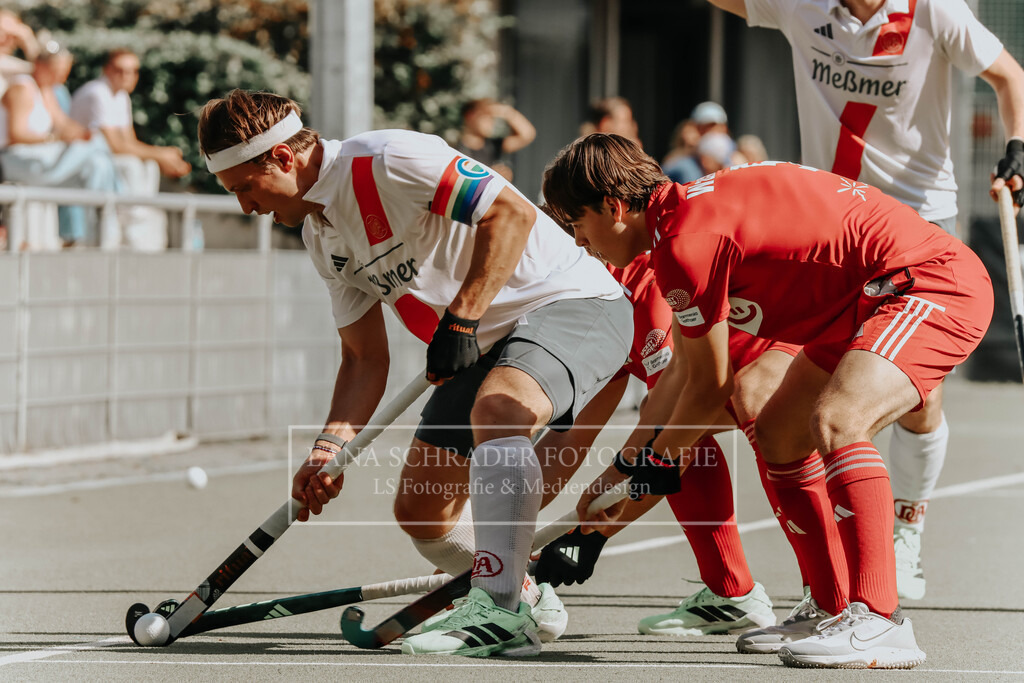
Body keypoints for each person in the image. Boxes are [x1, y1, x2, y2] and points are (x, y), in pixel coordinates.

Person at [197, 90, 631, 658]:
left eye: (246, 189)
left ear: (282, 158)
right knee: (424, 513)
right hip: (479, 340)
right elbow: (363, 358)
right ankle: (520, 591)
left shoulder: (385, 159)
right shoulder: (319, 236)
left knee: (498, 409)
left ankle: (497, 608)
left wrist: (461, 319)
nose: (247, 208)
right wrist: (329, 449)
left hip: (569, 304)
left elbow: (513, 213)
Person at [543, 134, 993, 669]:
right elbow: (681, 383)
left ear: (614, 208)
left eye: (576, 225)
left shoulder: (685, 245)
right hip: (862, 300)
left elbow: (706, 391)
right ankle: (831, 607)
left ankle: (878, 620)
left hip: (927, 283)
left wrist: (654, 468)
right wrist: (607, 499)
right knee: (780, 430)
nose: (578, 243)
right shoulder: (682, 220)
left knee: (837, 418)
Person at [707, 0, 1024, 601]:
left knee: (916, 396)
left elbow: (1010, 74)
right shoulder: (799, 6)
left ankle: (905, 529)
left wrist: (1019, 146)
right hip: (827, 227)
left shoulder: (935, 11)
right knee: (764, 396)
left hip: (917, 225)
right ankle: (823, 579)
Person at [531, 235, 812, 637]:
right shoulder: (589, 306)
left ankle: (829, 601)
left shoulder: (645, 292)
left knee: (749, 416)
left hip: (792, 338)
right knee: (675, 426)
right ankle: (731, 594)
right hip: (718, 374)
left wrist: (589, 536)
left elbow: (674, 427)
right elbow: (569, 439)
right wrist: (492, 538)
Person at [0, 47, 120, 248]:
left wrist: (82, 134)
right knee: (97, 147)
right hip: (14, 160)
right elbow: (17, 134)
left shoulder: (46, 90)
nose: (62, 76)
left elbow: (64, 124)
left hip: (40, 159)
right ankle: (118, 201)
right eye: (57, 69)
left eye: (65, 70)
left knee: (97, 163)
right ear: (39, 66)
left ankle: (98, 240)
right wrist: (55, 138)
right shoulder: (21, 88)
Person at [72, 48, 190, 251]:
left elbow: (129, 142)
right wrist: (162, 154)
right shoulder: (97, 92)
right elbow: (115, 146)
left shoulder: (121, 96)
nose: (127, 76)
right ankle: (133, 230)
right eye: (120, 70)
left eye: (133, 71)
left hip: (103, 159)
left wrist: (162, 159)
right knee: (133, 166)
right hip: (85, 161)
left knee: (147, 164)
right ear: (107, 70)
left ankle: (137, 225)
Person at [455, 98, 535, 182]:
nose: (491, 122)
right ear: (470, 116)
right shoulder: (456, 150)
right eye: (486, 116)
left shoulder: (492, 145)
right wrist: (490, 175)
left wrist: (506, 112)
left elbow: (527, 135)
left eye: (492, 118)